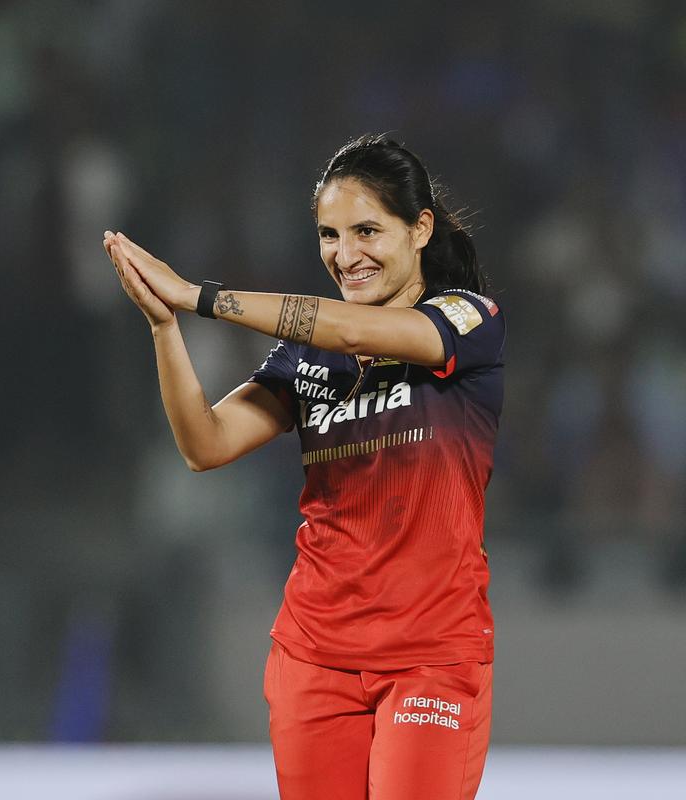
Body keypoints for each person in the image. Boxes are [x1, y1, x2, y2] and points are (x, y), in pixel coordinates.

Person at [104, 134, 502, 800]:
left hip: (431, 656)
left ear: (421, 228)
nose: (345, 256)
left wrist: (198, 297)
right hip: (315, 654)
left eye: (367, 230)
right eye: (329, 235)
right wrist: (164, 328)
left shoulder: (465, 321)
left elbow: (349, 330)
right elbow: (204, 444)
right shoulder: (307, 355)